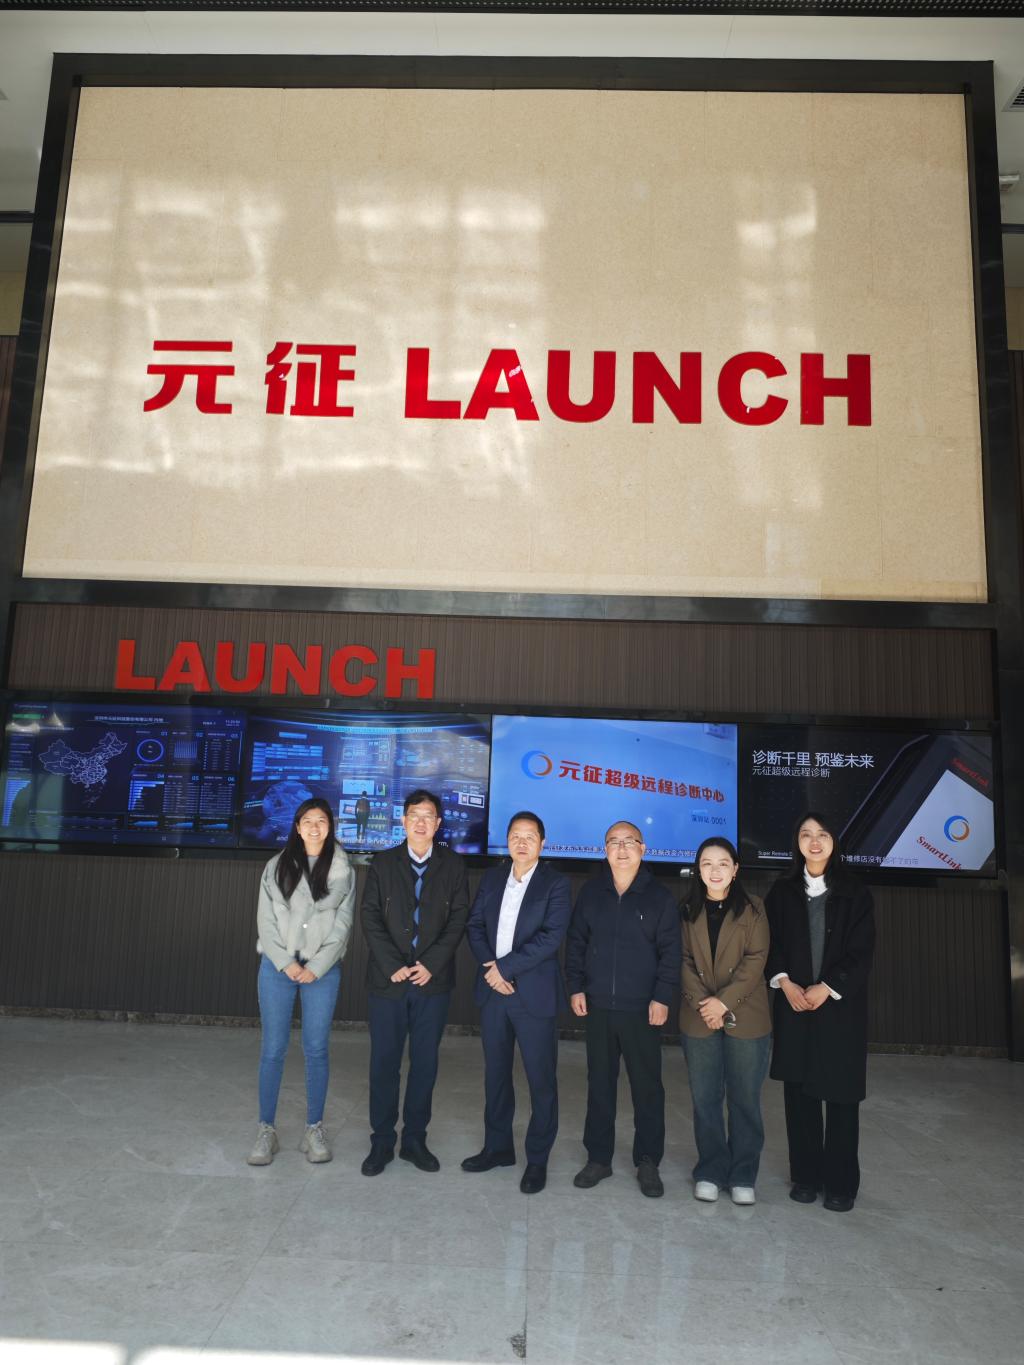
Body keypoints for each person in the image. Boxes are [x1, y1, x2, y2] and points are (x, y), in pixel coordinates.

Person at [564, 820, 681, 1198]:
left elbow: (671, 954)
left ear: (643, 849)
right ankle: (598, 1158)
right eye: (613, 842)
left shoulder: (659, 897)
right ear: (605, 850)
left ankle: (648, 1161)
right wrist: (575, 987)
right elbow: (576, 943)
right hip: (598, 1005)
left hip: (642, 1009)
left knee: (647, 1088)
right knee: (599, 1083)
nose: (622, 849)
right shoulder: (591, 893)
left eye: (630, 842)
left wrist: (662, 997)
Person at [766, 811, 876, 1213]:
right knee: (799, 1096)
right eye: (806, 834)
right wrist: (784, 982)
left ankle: (841, 1184)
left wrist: (827, 987)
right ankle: (806, 1177)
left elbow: (862, 952)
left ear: (834, 841)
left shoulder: (855, 892)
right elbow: (769, 944)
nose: (814, 842)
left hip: (838, 1009)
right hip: (794, 1003)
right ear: (796, 842)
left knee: (841, 1097)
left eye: (823, 834)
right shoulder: (782, 892)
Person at [359, 788, 470, 1176]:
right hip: (388, 981)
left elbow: (458, 919)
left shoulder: (453, 865)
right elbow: (369, 916)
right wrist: (392, 964)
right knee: (384, 1063)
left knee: (425, 1064)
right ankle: (381, 1141)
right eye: (414, 816)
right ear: (404, 821)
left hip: (431, 984)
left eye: (429, 816)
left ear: (438, 824)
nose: (421, 822)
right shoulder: (383, 863)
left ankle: (415, 1140)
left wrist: (431, 965)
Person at [463, 811, 572, 1194]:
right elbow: (475, 925)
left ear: (543, 842)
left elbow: (550, 937)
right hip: (494, 992)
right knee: (496, 1075)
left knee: (541, 1080)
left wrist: (505, 968)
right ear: (506, 840)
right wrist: (491, 969)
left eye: (530, 836)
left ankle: (537, 1159)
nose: (522, 842)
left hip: (533, 995)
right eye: (515, 835)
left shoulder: (555, 883)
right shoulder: (493, 878)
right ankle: (497, 1148)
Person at [248, 797, 356, 1166]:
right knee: (273, 1049)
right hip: (277, 969)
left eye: (321, 820)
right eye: (307, 820)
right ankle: (266, 1130)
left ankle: (314, 1129)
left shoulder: (343, 869)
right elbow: (265, 921)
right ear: (297, 827)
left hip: (321, 971)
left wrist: (318, 965)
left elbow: (344, 924)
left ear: (330, 827)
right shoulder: (276, 866)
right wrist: (285, 963)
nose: (314, 827)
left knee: (316, 1049)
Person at [679, 837, 771, 1204]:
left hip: (745, 1015)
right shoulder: (686, 909)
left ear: (735, 870)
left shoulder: (754, 908)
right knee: (706, 1099)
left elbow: (756, 960)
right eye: (707, 863)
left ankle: (743, 1174)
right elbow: (681, 960)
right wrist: (707, 1005)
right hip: (699, 1015)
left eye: (722, 863)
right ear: (698, 870)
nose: (714, 870)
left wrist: (723, 1004)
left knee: (744, 1099)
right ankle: (711, 1170)